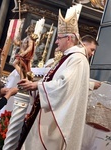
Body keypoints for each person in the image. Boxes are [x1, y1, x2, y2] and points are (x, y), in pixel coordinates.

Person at [17, 8, 90, 150]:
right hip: (47, 115)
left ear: (69, 38)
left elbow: (64, 86)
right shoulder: (68, 57)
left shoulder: (78, 59)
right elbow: (52, 82)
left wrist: (36, 86)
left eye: (59, 37)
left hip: (56, 122)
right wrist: (35, 84)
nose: (56, 42)